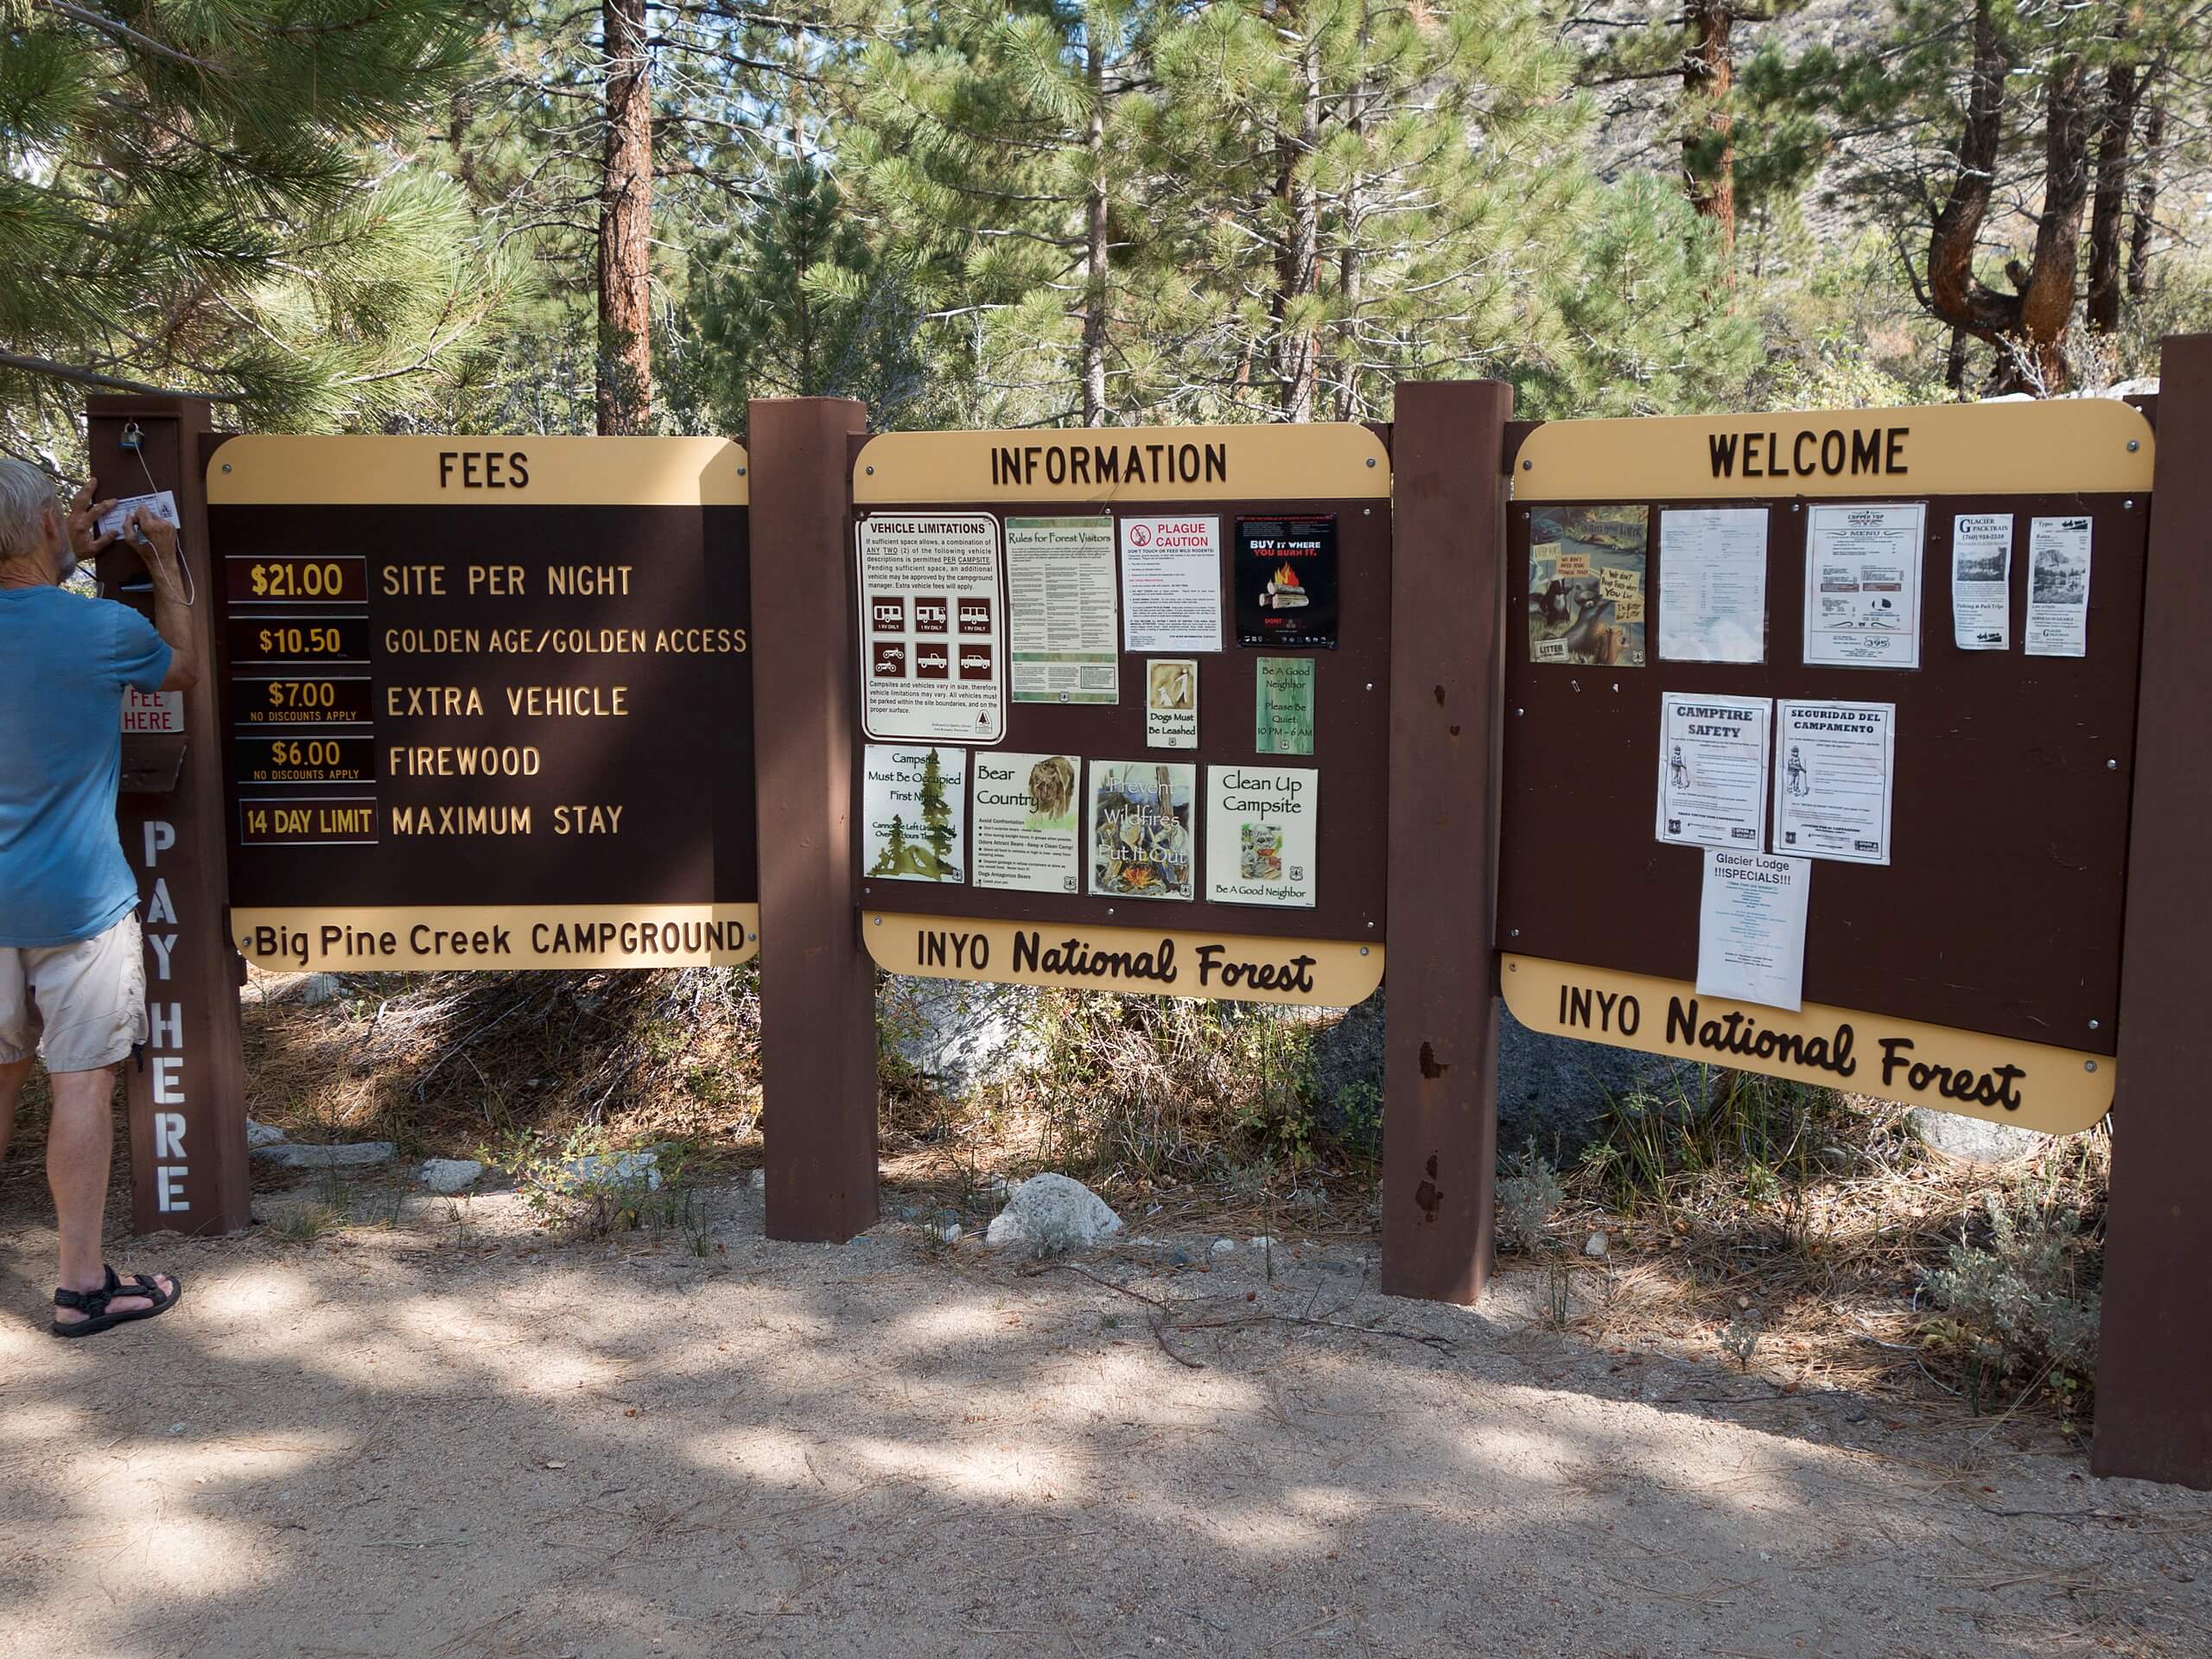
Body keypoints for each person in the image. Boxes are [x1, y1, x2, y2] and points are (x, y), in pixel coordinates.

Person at [0, 460, 199, 1337]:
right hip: (80, 905)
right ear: (50, 523)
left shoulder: (71, 613)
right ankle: (82, 1286)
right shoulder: (100, 633)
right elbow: (184, 668)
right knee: (81, 1083)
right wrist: (161, 560)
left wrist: (59, 558)